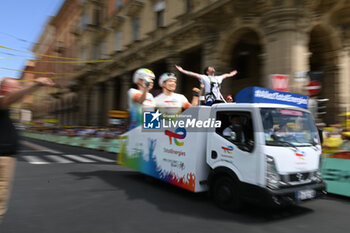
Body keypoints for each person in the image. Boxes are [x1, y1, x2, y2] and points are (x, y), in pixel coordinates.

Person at [0, 76, 55, 222]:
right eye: (15, 87)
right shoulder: (2, 101)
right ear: (4, 89)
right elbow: (9, 99)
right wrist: (35, 85)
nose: (18, 90)